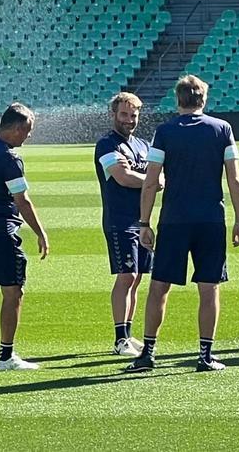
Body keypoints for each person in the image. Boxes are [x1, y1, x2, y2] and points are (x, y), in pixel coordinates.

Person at [126, 75, 239, 373]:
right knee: (209, 288)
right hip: (210, 219)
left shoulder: (164, 131)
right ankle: (205, 355)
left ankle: (148, 353)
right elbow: (235, 178)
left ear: (178, 100)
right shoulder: (222, 129)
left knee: (159, 286)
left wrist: (144, 222)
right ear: (203, 100)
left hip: (174, 220)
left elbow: (151, 180)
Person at [95, 92, 160, 357]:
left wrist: (149, 177)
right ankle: (120, 339)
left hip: (142, 220)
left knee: (137, 278)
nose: (129, 120)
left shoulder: (144, 145)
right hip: (119, 219)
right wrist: (151, 179)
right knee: (127, 276)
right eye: (124, 115)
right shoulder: (106, 144)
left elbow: (158, 172)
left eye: (133, 116)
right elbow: (122, 177)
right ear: (113, 115)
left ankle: (128, 335)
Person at [0, 104, 48, 371]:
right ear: (16, 128)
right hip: (1, 232)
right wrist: (40, 232)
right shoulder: (9, 158)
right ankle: (5, 357)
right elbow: (22, 200)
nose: (28, 136)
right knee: (13, 291)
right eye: (27, 131)